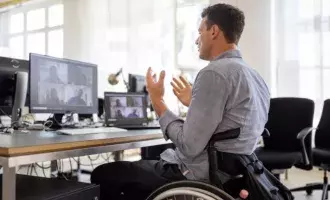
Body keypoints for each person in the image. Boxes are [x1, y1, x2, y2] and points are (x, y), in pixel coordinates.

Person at [91, 3, 270, 200]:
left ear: (214, 31)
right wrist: (194, 103)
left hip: (195, 174)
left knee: (104, 174)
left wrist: (157, 100)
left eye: (200, 31)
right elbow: (229, 128)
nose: (196, 40)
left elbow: (189, 145)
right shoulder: (255, 77)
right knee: (146, 161)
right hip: (232, 175)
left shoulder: (214, 73)